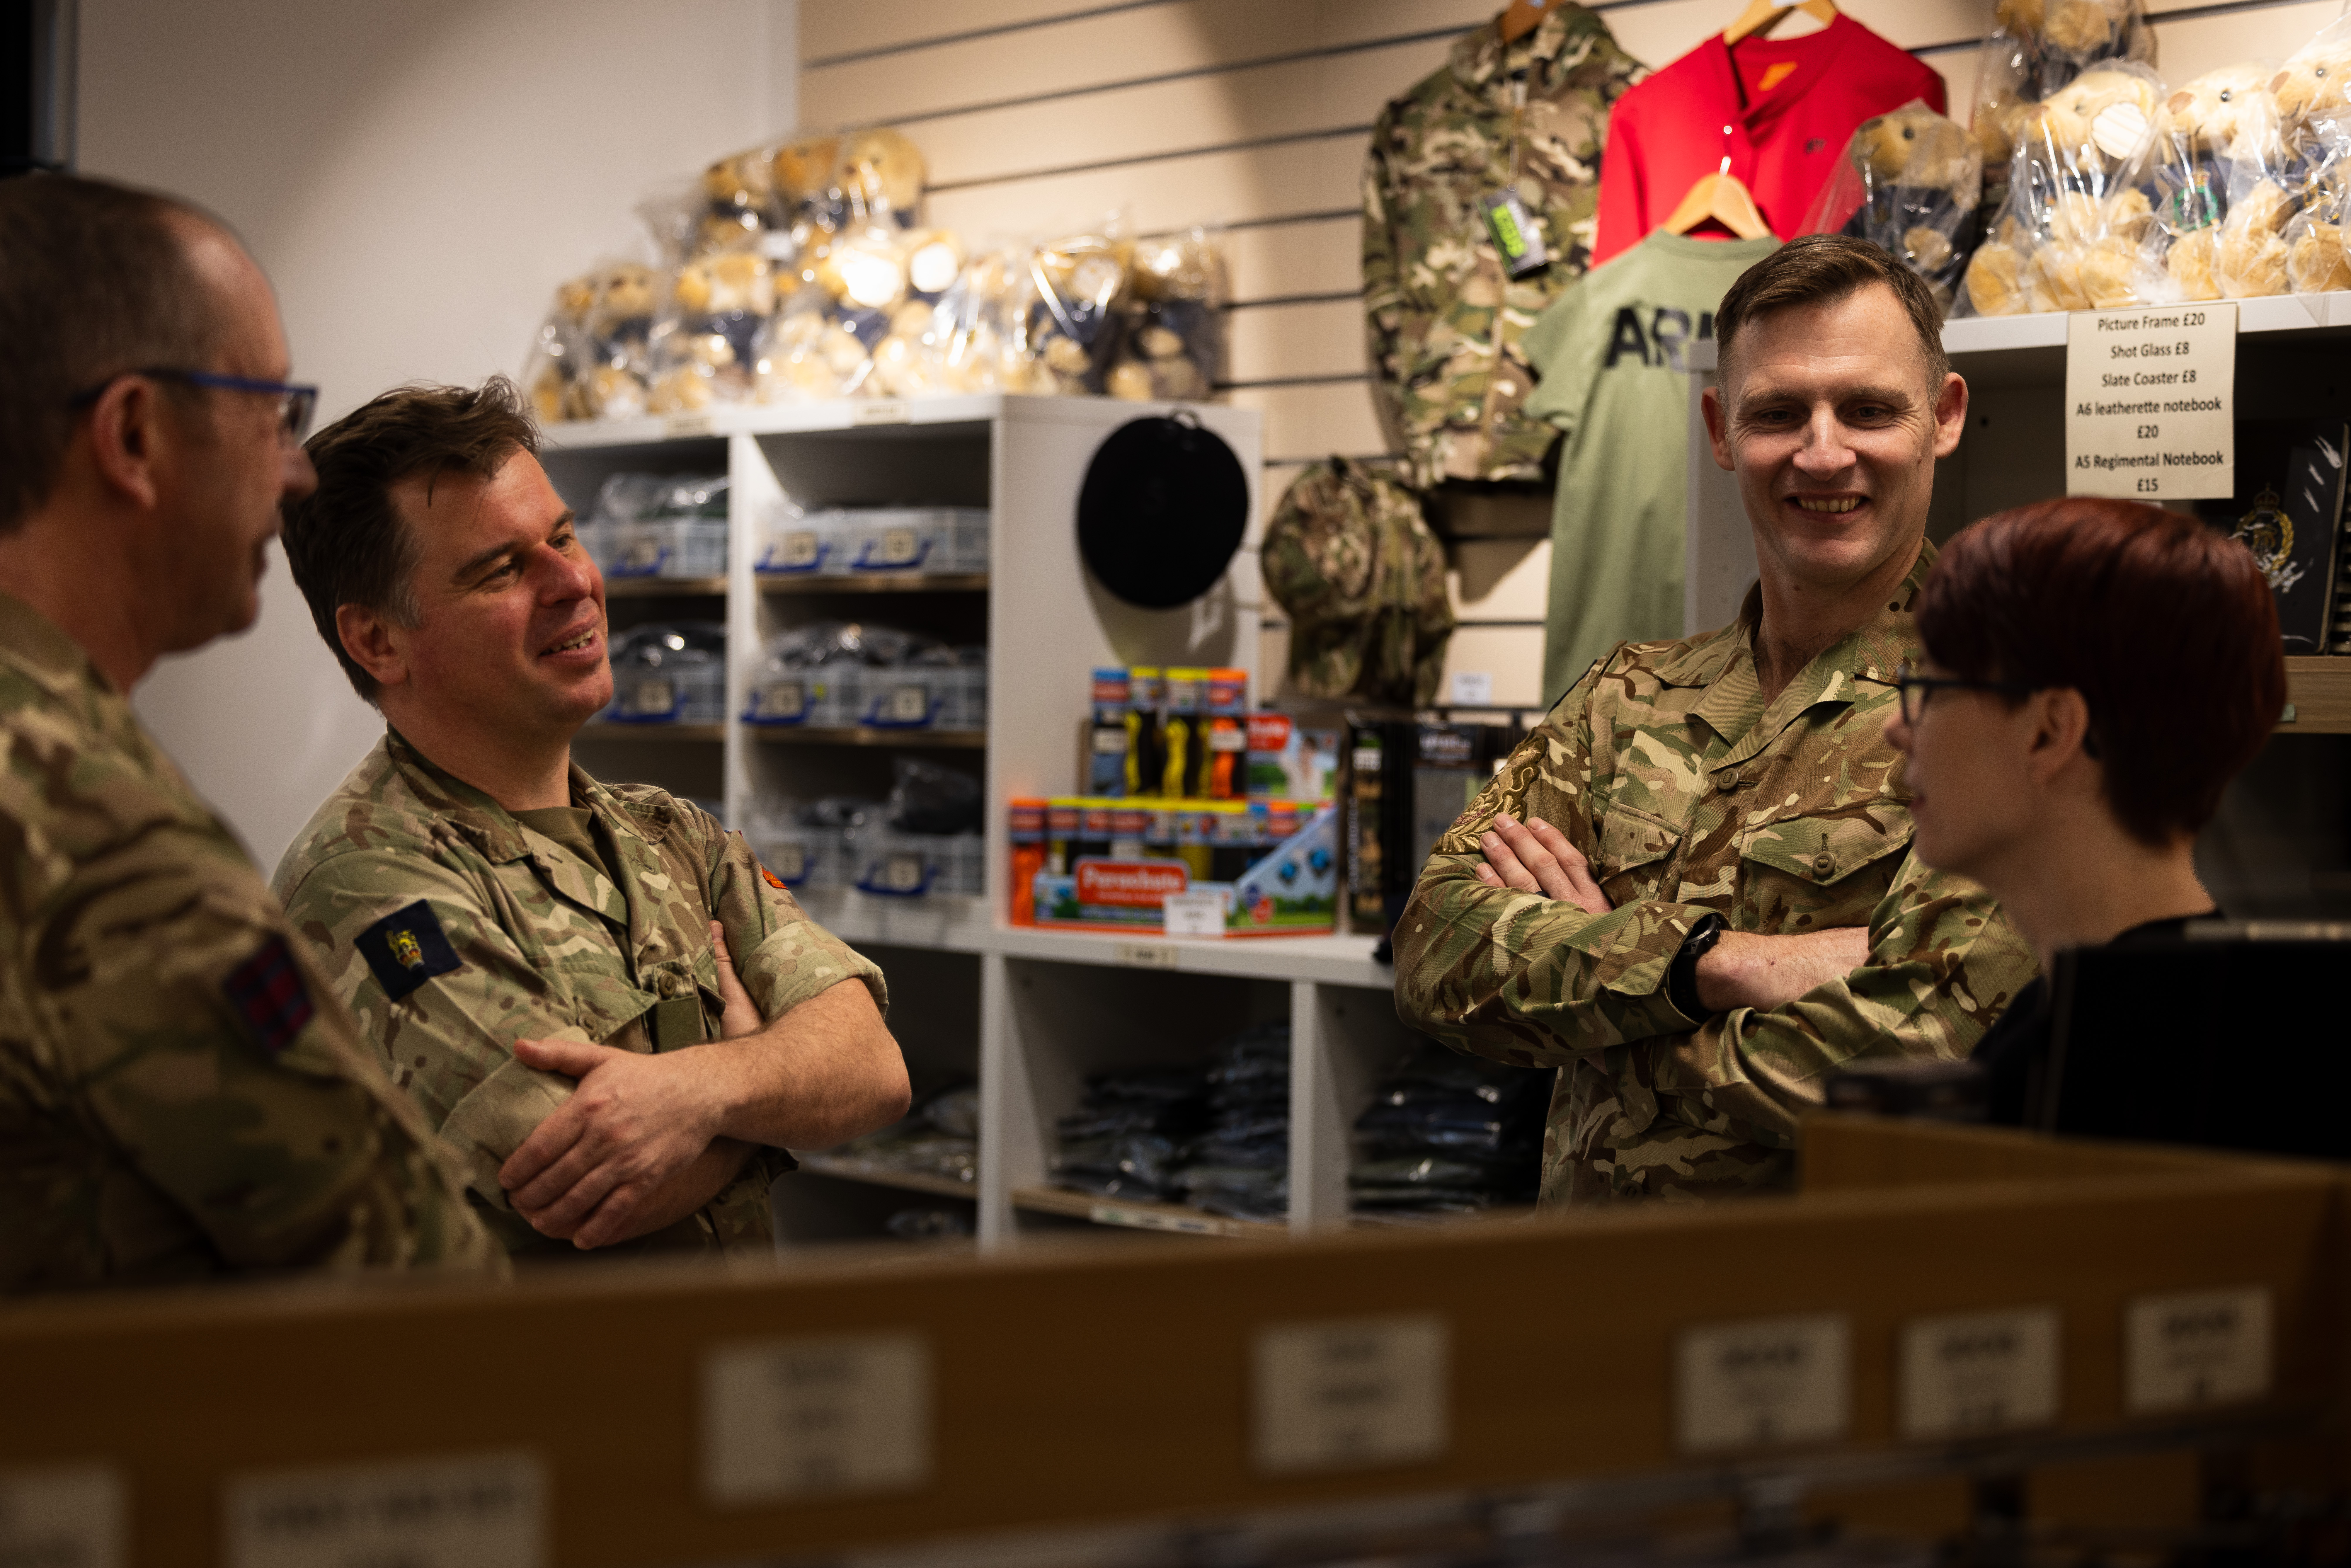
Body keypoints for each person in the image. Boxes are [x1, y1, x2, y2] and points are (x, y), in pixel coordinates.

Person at [1393, 234, 2037, 1207]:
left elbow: (1912, 1054)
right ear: (1720, 429)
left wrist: (1594, 1014)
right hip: (1591, 1317)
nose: (1823, 453)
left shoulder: (2005, 712)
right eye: (1778, 413)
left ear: (1943, 418)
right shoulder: (1625, 698)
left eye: (1867, 409)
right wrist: (1714, 964)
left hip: (1831, 1328)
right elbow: (1436, 950)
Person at [272, 379, 908, 1261]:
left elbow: (874, 1069)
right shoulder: (371, 881)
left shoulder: (670, 836)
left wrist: (703, 1090)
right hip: (547, 1398)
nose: (574, 581)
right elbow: (582, 1183)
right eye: (501, 569)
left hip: (720, 1386)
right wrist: (770, 1085)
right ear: (379, 640)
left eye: (563, 537)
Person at [0, 176, 503, 1291]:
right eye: (272, 412)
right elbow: (422, 1281)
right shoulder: (99, 843)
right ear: (133, 435)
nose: (297, 469)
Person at [1885, 497, 2286, 1122]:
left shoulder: (2103, 1066)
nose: (1895, 727)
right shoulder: (2211, 1022)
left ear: (2048, 732)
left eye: (1929, 689)